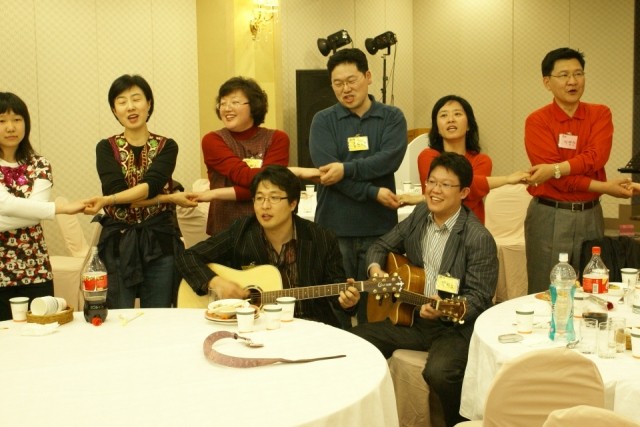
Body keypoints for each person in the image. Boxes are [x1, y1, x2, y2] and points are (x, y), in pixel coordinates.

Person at [350, 152, 498, 427]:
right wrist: (376, 270)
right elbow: (380, 246)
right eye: (431, 182)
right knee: (356, 341)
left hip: (455, 327)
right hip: (414, 318)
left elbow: (479, 298)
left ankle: (459, 424)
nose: (435, 190)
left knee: (441, 372)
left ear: (464, 192)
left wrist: (443, 310)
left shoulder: (478, 237)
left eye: (445, 185)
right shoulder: (420, 215)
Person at [176, 165, 359, 328]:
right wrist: (216, 282)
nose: (265, 206)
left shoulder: (321, 237)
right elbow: (187, 257)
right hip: (257, 329)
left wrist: (348, 302)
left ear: (293, 203)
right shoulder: (241, 232)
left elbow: (337, 291)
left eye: (274, 198)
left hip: (311, 326)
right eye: (259, 198)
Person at [309, 48, 407, 325]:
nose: (346, 89)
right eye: (338, 83)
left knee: (376, 310)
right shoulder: (323, 120)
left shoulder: (392, 117)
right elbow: (328, 174)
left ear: (368, 76)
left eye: (351, 80)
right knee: (335, 307)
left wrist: (346, 169)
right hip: (334, 228)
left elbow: (388, 161)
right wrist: (372, 192)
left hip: (379, 230)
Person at [83, 74, 197, 309]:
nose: (130, 107)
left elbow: (149, 187)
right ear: (114, 110)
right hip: (118, 242)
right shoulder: (105, 148)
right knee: (118, 315)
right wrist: (169, 198)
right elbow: (120, 195)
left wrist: (107, 200)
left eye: (136, 99)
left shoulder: (167, 146)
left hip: (159, 242)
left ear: (149, 104)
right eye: (122, 101)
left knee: (159, 315)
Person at [524, 48, 632, 294]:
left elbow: (597, 157)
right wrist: (605, 187)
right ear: (547, 82)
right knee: (546, 290)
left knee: (593, 287)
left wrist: (557, 168)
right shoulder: (537, 120)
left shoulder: (600, 113)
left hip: (590, 214)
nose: (572, 81)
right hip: (550, 214)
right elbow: (559, 182)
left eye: (578, 73)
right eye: (563, 75)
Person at [0, 92, 85, 320]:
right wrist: (57, 209)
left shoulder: (40, 164)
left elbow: (34, 214)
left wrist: (35, 212)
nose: (10, 127)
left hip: (35, 268)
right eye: (2, 121)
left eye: (17, 119)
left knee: (42, 329)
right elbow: (6, 204)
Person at [405, 95, 529, 223]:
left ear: (469, 125)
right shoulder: (427, 156)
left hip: (471, 229)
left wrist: (420, 198)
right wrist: (506, 179)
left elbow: (470, 188)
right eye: (444, 115)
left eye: (457, 114)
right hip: (435, 227)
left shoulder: (482, 160)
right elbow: (450, 188)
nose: (451, 119)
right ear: (437, 128)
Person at [197, 77, 296, 237]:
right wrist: (296, 172)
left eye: (235, 102)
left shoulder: (277, 138)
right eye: (222, 103)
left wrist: (216, 193)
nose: (227, 108)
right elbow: (247, 177)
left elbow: (271, 185)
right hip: (225, 230)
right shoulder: (212, 140)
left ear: (254, 106)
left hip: (269, 230)